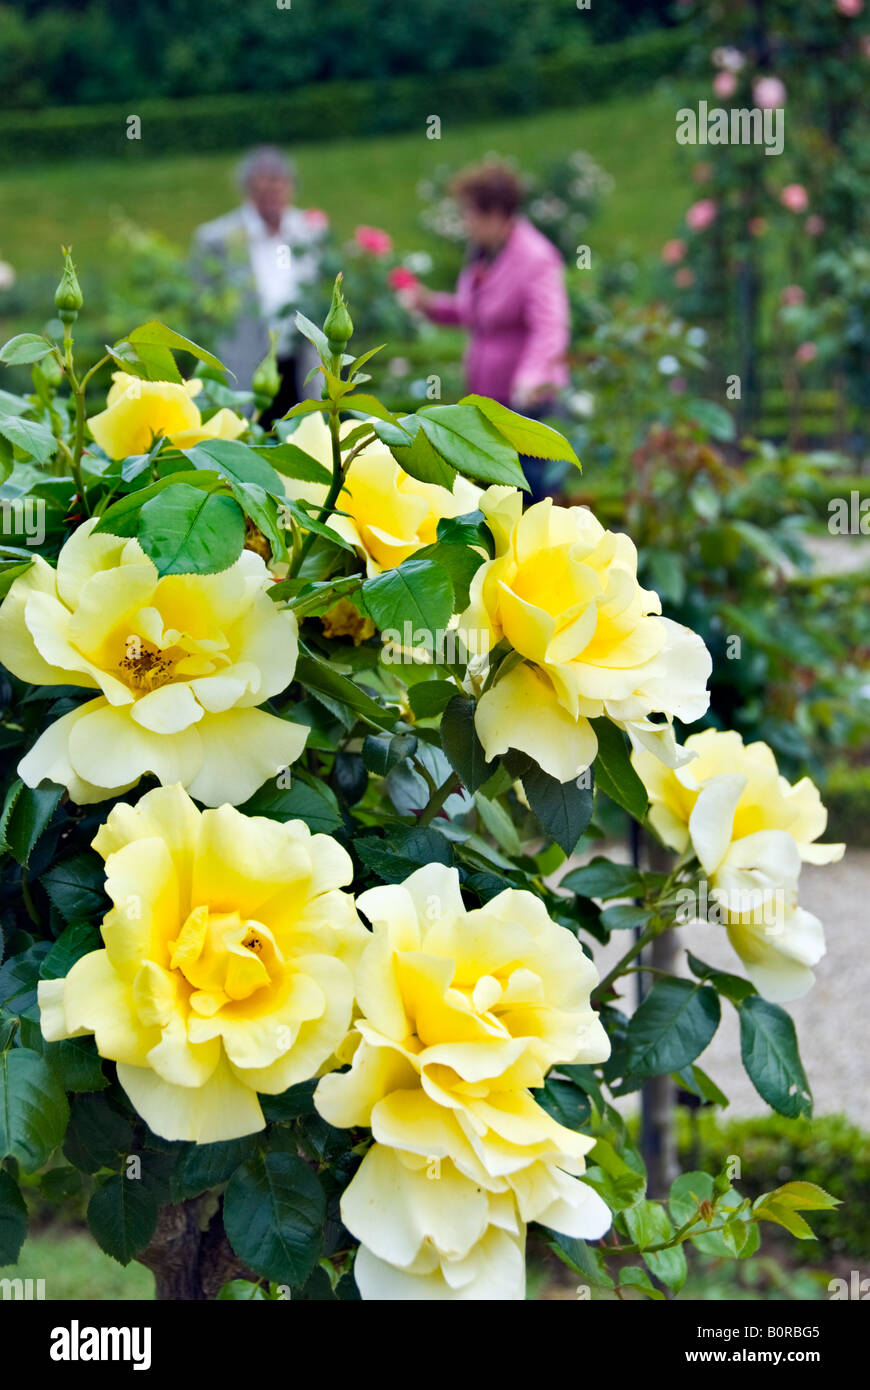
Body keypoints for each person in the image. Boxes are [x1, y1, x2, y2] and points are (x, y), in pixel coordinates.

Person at [408, 161, 571, 499]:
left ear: (496, 213)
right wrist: (431, 305)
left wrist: (532, 377)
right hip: (493, 403)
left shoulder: (536, 258)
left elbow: (551, 327)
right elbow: (481, 313)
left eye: (469, 214)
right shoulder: (484, 254)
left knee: (529, 498)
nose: (465, 223)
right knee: (497, 497)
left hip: (527, 407)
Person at [191, 147, 324, 420]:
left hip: (301, 361)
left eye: (279, 191)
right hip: (245, 363)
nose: (274, 201)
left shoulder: (309, 231)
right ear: (249, 192)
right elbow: (198, 301)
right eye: (265, 193)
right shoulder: (216, 238)